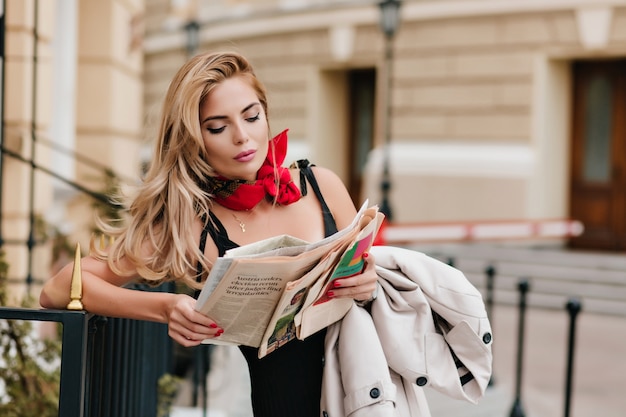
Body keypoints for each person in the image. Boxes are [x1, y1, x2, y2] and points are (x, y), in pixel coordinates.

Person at [39, 51, 379, 417]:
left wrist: (370, 280)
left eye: (252, 116)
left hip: (369, 395)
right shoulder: (190, 224)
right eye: (217, 127)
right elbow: (58, 289)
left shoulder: (322, 185)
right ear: (192, 139)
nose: (242, 136)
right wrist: (166, 308)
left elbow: (375, 282)